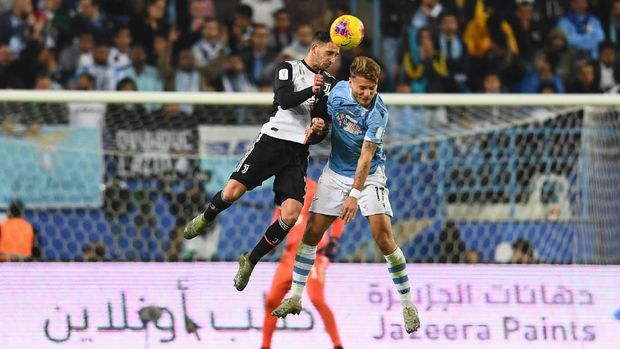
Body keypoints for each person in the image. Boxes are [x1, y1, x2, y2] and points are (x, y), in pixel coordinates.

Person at [271, 57, 421, 334]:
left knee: (384, 238)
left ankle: (407, 303)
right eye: (363, 88)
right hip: (335, 172)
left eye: (372, 88)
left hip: (369, 175)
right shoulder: (337, 91)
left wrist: (354, 194)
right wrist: (319, 126)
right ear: (351, 82)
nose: (367, 94)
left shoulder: (378, 112)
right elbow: (322, 119)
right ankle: (294, 296)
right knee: (311, 235)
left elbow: (366, 156)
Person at [183, 31, 339, 291]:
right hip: (272, 141)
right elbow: (286, 100)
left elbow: (320, 125)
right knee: (232, 193)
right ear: (315, 48)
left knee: (290, 216)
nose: (333, 59)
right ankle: (205, 218)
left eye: (336, 55)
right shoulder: (287, 68)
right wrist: (310, 89)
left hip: (297, 151)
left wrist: (320, 126)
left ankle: (250, 260)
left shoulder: (331, 84)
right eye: (329, 53)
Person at [262, 179, 344, 349]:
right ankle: (265, 346)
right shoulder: (284, 189)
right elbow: (278, 216)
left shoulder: (318, 189)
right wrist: (270, 240)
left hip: (313, 253)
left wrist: (335, 238)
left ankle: (337, 345)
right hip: (290, 256)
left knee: (316, 298)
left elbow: (338, 213)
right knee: (271, 300)